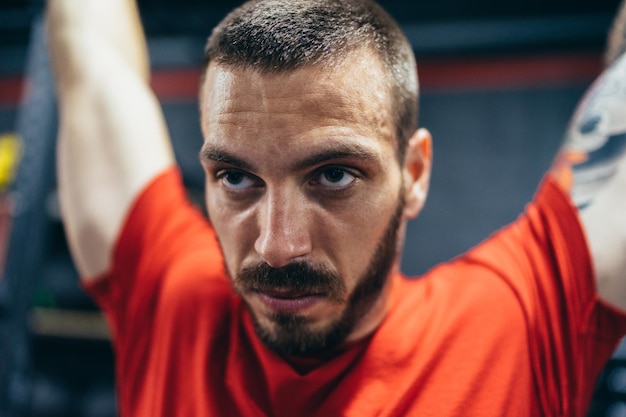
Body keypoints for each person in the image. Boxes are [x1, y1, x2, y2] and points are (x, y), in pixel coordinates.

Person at [46, 0, 626, 415]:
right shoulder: (169, 295)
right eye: (237, 177)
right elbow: (95, 60)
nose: (277, 246)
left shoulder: (520, 320)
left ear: (414, 173)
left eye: (333, 175)